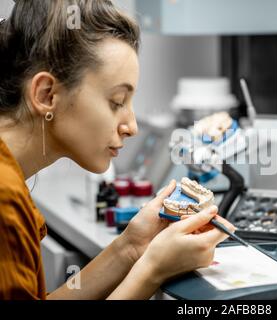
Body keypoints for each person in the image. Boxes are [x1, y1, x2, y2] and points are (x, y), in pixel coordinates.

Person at [0, 0, 235, 300]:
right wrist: (152, 270)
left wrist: (131, 248)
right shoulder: (3, 196)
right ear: (47, 94)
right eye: (116, 101)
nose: (132, 126)